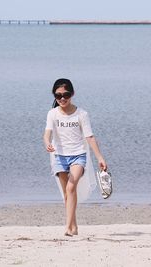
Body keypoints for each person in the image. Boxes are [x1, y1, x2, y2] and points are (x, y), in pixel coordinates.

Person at [43, 78, 107, 236]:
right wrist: (46, 143)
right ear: (54, 96)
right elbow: (47, 134)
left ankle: (67, 228)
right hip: (59, 157)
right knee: (67, 193)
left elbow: (90, 137)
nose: (62, 98)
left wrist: (100, 158)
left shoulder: (81, 114)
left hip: (78, 155)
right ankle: (74, 227)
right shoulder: (52, 113)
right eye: (58, 96)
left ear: (72, 94)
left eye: (66, 94)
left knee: (71, 187)